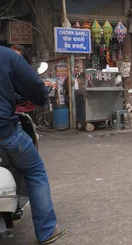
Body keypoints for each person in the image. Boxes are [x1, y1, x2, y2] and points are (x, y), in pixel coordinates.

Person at [0, 47, 66, 243]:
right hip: (5, 131)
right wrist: (41, 96)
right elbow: (37, 90)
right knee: (35, 170)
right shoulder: (8, 56)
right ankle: (46, 230)